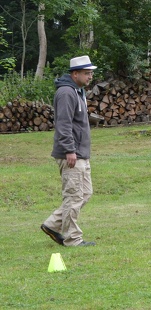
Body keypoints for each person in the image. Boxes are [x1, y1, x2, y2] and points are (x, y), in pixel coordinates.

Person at [41, 55, 97, 247]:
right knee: (73, 196)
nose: (90, 76)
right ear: (75, 74)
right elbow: (63, 124)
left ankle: (52, 224)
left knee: (85, 193)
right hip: (72, 154)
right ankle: (73, 239)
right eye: (87, 73)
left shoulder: (77, 91)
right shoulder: (66, 93)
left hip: (80, 153)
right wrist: (69, 150)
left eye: (91, 73)